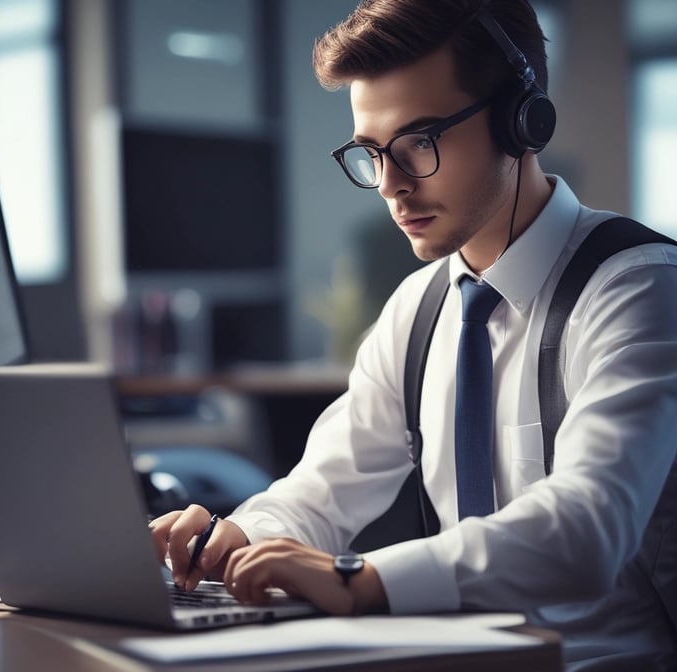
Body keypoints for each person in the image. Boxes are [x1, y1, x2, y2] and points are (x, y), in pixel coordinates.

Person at [149, 1, 677, 669]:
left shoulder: (638, 287)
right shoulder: (420, 308)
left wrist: (361, 580)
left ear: (522, 120)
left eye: (419, 143)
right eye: (372, 153)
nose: (391, 186)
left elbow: (588, 528)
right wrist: (239, 538)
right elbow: (323, 488)